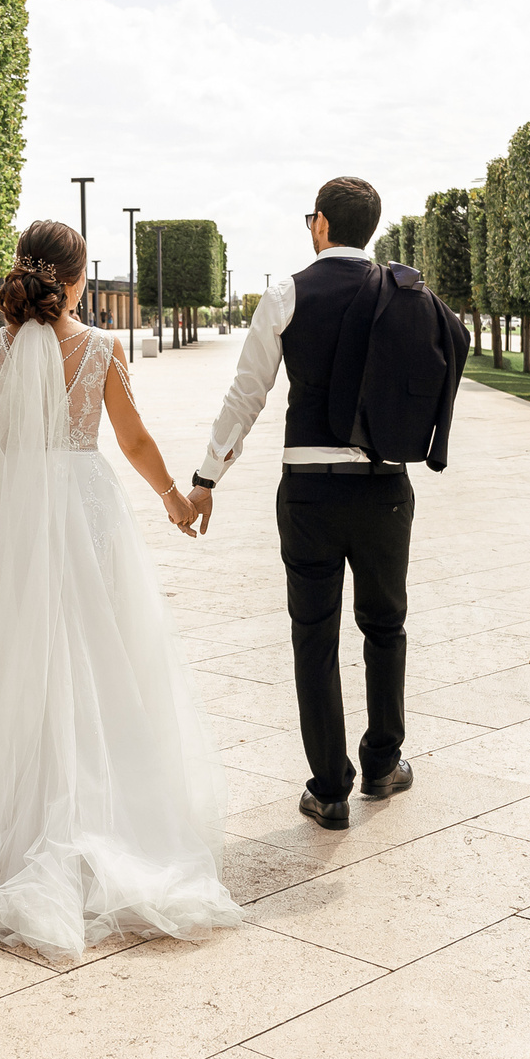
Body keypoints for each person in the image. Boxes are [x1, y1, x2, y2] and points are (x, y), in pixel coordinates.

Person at [0, 219, 240, 961]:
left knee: (23, 654)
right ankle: (106, 811)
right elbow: (134, 439)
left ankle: (21, 820)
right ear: (79, 278)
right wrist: (172, 498)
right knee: (99, 653)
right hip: (88, 513)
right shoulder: (99, 348)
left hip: (20, 514)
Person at [187, 176, 468, 830]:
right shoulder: (403, 291)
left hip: (309, 488)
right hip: (383, 485)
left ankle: (331, 787)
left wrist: (207, 477)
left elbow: (247, 394)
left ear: (319, 224)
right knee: (385, 625)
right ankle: (382, 762)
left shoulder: (287, 292)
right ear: (368, 228)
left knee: (313, 636)